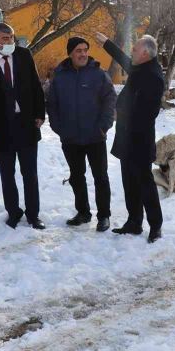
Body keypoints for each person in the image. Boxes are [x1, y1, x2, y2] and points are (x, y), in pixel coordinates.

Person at [0, 23, 46, 230]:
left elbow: (36, 86)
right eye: (5, 39)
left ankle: (33, 214)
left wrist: (40, 114)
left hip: (26, 124)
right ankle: (13, 212)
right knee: (7, 173)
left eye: (11, 38)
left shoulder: (24, 55)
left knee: (30, 173)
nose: (9, 42)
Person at [95, 32, 165, 243]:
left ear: (145, 53)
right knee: (129, 182)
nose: (132, 51)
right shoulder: (141, 67)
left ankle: (155, 226)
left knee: (145, 184)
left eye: (135, 48)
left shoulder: (153, 75)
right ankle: (134, 222)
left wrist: (121, 113)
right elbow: (124, 59)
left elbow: (148, 113)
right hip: (127, 139)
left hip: (140, 141)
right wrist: (106, 43)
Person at [46, 37, 116, 231]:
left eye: (85, 49)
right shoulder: (60, 76)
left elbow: (110, 100)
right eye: (79, 50)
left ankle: (104, 216)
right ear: (70, 53)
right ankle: (83, 212)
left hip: (95, 136)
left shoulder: (99, 74)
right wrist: (58, 127)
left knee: (100, 177)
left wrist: (104, 125)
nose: (83, 54)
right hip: (70, 138)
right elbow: (52, 104)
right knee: (76, 176)